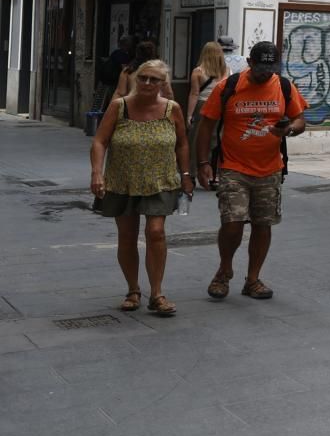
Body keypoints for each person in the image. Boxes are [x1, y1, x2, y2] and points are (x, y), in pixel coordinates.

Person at [195, 41, 308, 301]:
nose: (265, 73)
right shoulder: (228, 86)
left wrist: (289, 128)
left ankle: (253, 279)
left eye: (270, 68)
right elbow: (206, 126)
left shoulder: (283, 86)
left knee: (262, 224)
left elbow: (300, 119)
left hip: (270, 169)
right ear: (249, 63)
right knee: (232, 223)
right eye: (260, 68)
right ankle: (224, 270)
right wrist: (202, 164)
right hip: (233, 166)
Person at [88, 59, 193, 317]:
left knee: (156, 232)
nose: (147, 83)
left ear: (162, 83)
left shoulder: (172, 109)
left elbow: (182, 143)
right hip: (122, 181)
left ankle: (157, 294)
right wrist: (96, 173)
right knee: (127, 235)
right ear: (136, 78)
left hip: (161, 180)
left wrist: (187, 173)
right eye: (143, 77)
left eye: (154, 79)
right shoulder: (119, 107)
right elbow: (100, 141)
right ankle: (133, 290)